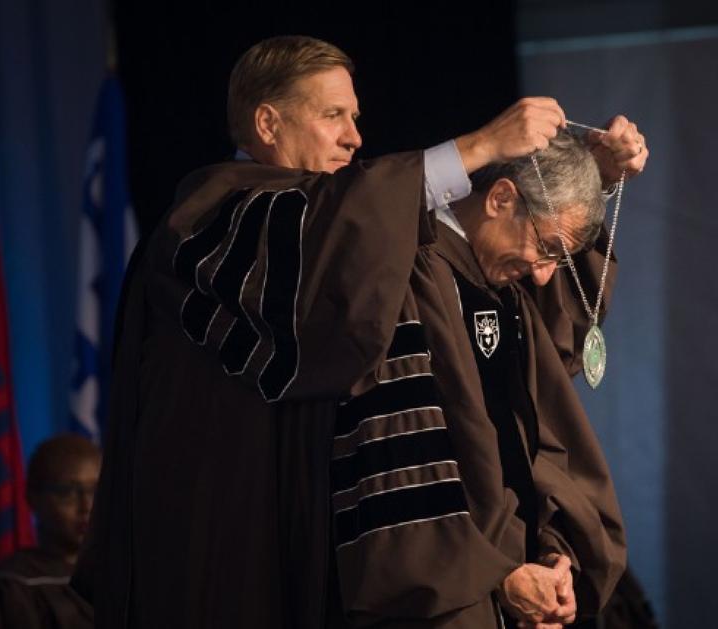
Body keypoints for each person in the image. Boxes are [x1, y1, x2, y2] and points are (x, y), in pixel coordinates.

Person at [75, 35, 647, 628]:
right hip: (231, 535)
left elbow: (531, 337)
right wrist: (479, 147)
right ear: (268, 122)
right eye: (334, 116)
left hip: (318, 542)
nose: (356, 137)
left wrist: (591, 176)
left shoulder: (351, 231)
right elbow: (332, 242)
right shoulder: (210, 219)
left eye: (355, 116)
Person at [0, 434, 98, 629]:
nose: (87, 506)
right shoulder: (8, 595)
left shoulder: (123, 580)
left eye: (96, 491)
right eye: (66, 492)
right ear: (32, 497)